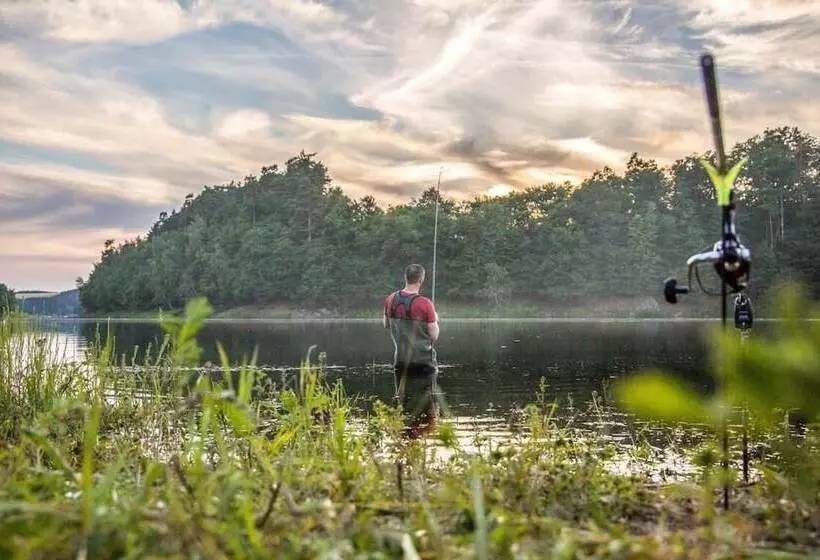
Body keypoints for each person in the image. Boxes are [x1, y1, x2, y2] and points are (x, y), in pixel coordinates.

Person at [383, 263, 440, 439]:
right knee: (428, 407)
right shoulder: (425, 304)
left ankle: (403, 439)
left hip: (400, 361)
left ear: (405, 277)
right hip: (423, 363)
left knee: (402, 403)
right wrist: (435, 318)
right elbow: (434, 335)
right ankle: (420, 439)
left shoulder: (390, 299)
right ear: (421, 280)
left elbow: (385, 324)